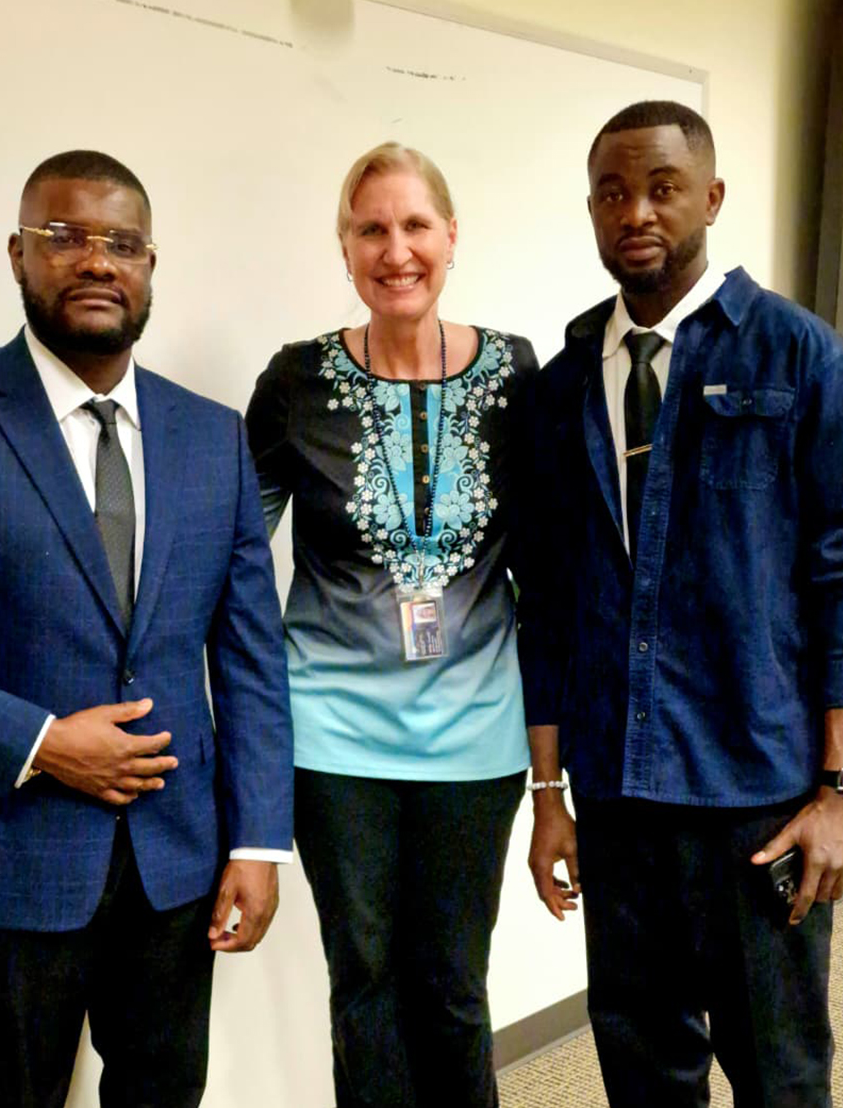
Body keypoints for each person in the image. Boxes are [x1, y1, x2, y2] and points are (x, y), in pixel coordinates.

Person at [0, 150, 293, 1108]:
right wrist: (42, 743)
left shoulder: (212, 435)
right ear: (18, 255)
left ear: (150, 265)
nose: (96, 260)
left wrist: (259, 843)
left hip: (177, 862)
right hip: (1, 857)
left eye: (122, 243)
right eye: (64, 236)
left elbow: (251, 656)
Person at [516, 99, 843, 1106]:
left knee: (781, 1077)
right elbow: (544, 605)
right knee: (643, 1073)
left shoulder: (799, 357)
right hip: (615, 798)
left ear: (712, 197)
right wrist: (549, 797)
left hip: (757, 799)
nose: (635, 211)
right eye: (611, 193)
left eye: (662, 188)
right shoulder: (562, 386)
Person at [245, 142, 537, 1108]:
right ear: (345, 248)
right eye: (371, 229)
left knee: (452, 984)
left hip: (477, 735)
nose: (396, 250)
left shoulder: (516, 374)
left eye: (415, 225)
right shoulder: (296, 381)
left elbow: (552, 561)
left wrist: (558, 766)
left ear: (452, 236)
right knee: (364, 980)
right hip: (334, 736)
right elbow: (233, 560)